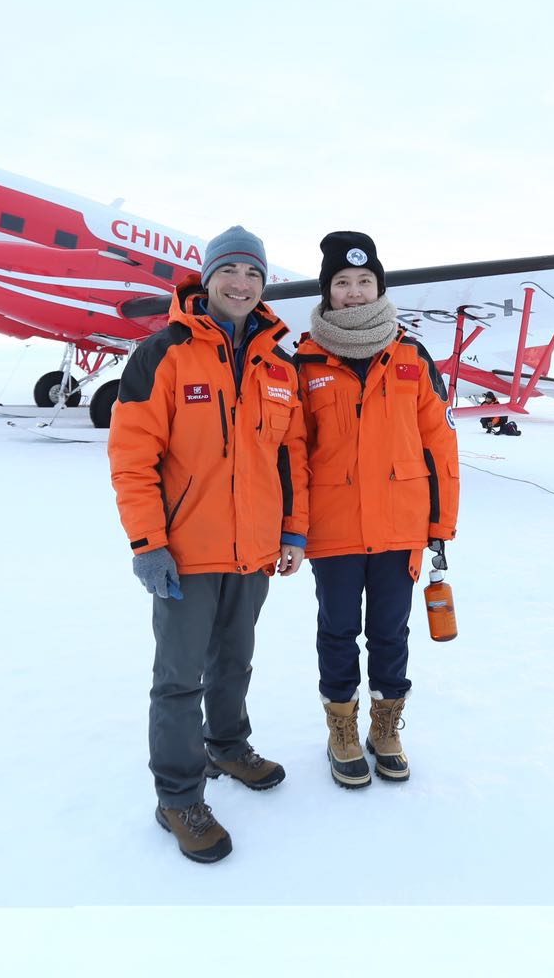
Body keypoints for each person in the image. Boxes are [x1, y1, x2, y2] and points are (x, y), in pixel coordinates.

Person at [108, 225, 309, 864]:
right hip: (185, 553)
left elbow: (290, 456)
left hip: (253, 550)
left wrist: (293, 530)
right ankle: (177, 796)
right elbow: (132, 455)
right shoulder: (162, 353)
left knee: (235, 661)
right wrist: (147, 543)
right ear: (207, 276)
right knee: (178, 679)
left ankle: (227, 746)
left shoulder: (280, 362)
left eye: (253, 273)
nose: (241, 283)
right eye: (230, 271)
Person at [293, 230, 460, 788]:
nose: (356, 292)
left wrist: (440, 524)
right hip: (333, 527)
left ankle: (385, 727)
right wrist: (292, 527)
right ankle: (342, 730)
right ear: (328, 292)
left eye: (366, 282)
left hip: (399, 526)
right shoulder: (304, 361)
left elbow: (440, 445)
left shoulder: (413, 357)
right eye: (343, 283)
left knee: (390, 632)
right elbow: (292, 451)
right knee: (337, 631)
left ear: (380, 287)